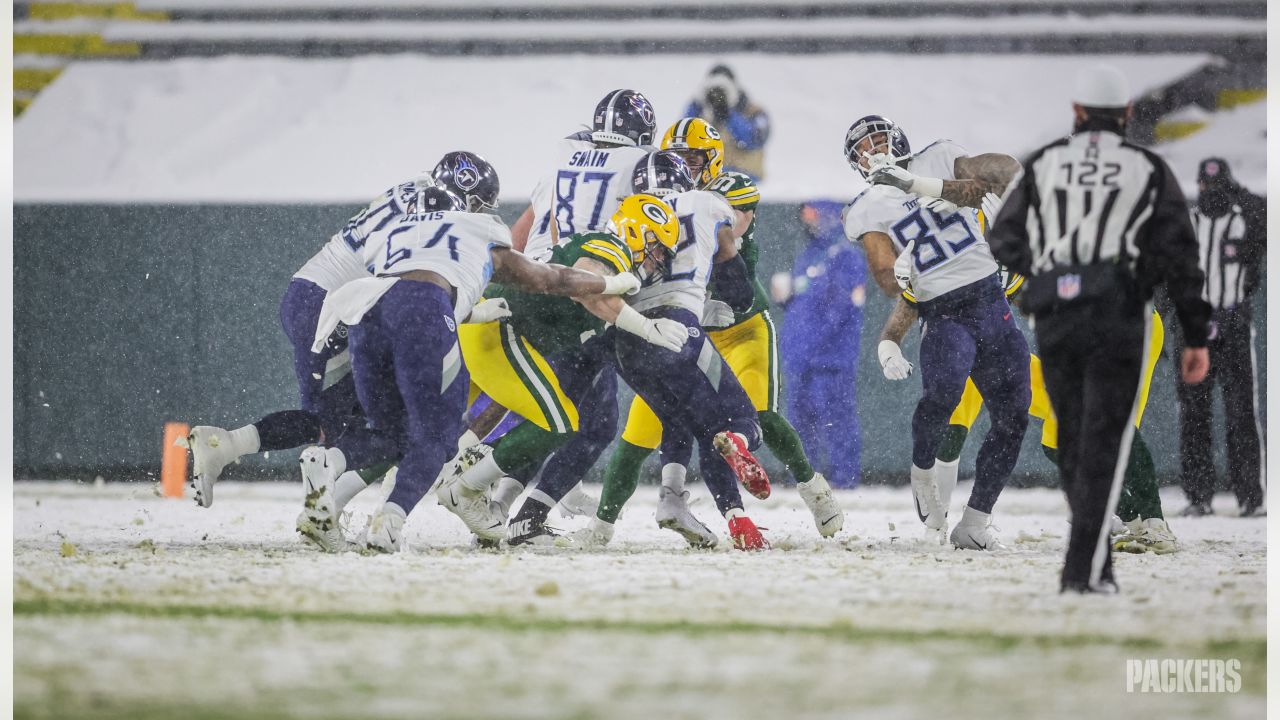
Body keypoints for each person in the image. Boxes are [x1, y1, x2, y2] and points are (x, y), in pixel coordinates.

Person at [295, 153, 643, 553]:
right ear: (477, 203)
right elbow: (548, 279)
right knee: (439, 436)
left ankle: (332, 469)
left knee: (392, 431)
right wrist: (607, 286)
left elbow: (403, 279)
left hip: (366, 308)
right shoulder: (483, 229)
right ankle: (392, 521)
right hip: (433, 315)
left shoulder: (396, 229)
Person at [985, 64, 1211, 593]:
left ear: (1077, 113)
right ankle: (1095, 559)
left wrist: (1042, 288)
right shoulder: (1146, 168)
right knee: (1104, 431)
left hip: (1062, 313)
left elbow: (1004, 242)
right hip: (1122, 310)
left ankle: (1091, 561)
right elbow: (1181, 253)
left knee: (1072, 434)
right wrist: (1196, 332)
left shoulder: (1046, 164)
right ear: (1128, 114)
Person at [598, 120, 845, 545]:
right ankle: (603, 527)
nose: (684, 165)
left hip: (740, 326)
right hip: (685, 330)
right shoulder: (644, 206)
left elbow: (736, 268)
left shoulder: (724, 195)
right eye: (677, 157)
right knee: (642, 433)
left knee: (758, 416)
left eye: (693, 157)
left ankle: (813, 488)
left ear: (710, 160)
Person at [438, 192, 689, 548]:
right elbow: (586, 288)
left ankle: (459, 477)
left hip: (500, 332)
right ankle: (464, 487)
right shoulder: (611, 248)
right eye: (659, 248)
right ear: (639, 232)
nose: (659, 259)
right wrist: (646, 327)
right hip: (501, 331)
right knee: (558, 423)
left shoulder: (611, 254)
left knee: (553, 419)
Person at [184, 170, 438, 509]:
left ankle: (225, 445)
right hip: (333, 308)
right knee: (387, 423)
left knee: (326, 422)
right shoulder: (431, 213)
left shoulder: (415, 188)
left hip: (305, 294)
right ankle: (327, 509)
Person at [846, 114, 1029, 550]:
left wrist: (918, 185)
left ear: (898, 138)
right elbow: (885, 275)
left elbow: (994, 178)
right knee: (942, 397)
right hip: (944, 313)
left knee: (1014, 416)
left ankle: (975, 521)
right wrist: (900, 274)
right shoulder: (866, 206)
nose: (873, 152)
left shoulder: (938, 158)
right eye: (863, 150)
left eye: (878, 141)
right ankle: (922, 471)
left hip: (991, 301)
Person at [572, 158, 775, 551]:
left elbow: (595, 275)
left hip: (625, 334)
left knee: (677, 417)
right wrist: (726, 297)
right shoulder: (707, 203)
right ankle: (734, 510)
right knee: (736, 424)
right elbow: (731, 269)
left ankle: (668, 501)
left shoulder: (625, 213)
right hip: (679, 327)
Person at [1177, 157, 1267, 517]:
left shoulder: (1247, 216)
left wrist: (1239, 195)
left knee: (1241, 412)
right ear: (1198, 187)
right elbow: (1171, 270)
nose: (1211, 193)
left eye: (1218, 187)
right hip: (1194, 324)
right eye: (1207, 187)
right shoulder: (1188, 220)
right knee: (1193, 413)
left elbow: (1262, 218)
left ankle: (1250, 496)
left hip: (1233, 322)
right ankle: (1198, 497)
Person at [776, 200, 867, 489]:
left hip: (831, 360)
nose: (808, 221)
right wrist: (785, 296)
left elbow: (839, 310)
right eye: (805, 215)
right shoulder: (808, 255)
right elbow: (803, 303)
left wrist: (812, 346)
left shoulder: (846, 256)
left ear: (830, 217)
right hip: (801, 358)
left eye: (813, 215)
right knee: (800, 424)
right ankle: (804, 479)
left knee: (837, 421)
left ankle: (845, 480)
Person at [510, 89, 657, 260]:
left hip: (544, 262)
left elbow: (519, 241)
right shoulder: (641, 162)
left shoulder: (561, 163)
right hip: (594, 264)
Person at [683, 65, 770, 180]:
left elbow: (753, 140)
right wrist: (699, 106)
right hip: (707, 179)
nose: (718, 95)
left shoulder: (753, 111)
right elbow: (684, 139)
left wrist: (728, 115)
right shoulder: (700, 109)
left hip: (746, 177)